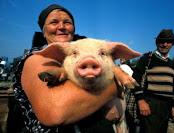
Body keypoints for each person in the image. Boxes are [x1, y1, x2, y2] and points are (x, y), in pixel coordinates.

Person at [9, 4, 121, 133]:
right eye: (54, 22)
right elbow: (54, 112)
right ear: (43, 31)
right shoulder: (35, 58)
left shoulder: (84, 54)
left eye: (67, 22)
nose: (61, 27)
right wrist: (114, 85)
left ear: (73, 29)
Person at [130, 29, 174, 133]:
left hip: (166, 106)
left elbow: (173, 86)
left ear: (173, 44)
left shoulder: (172, 63)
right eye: (161, 41)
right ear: (157, 42)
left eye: (168, 41)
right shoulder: (147, 58)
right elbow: (134, 80)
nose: (164, 44)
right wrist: (141, 101)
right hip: (151, 104)